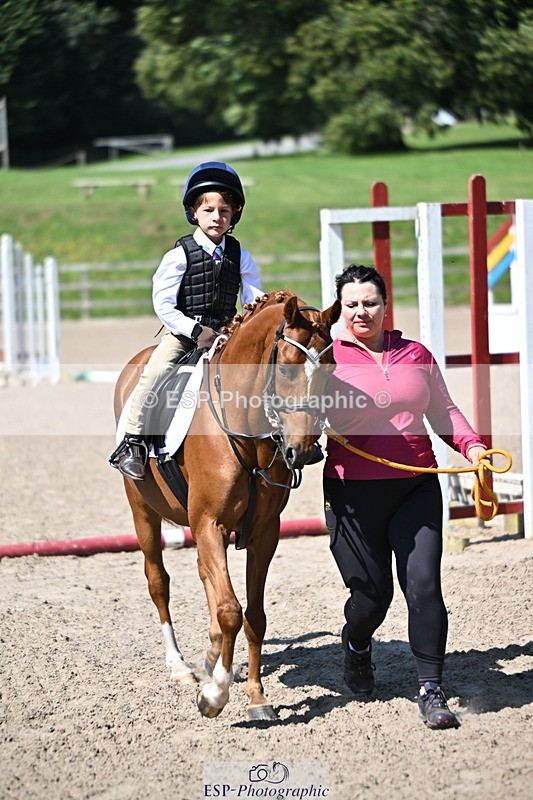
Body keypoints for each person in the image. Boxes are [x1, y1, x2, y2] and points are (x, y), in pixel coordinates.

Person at [323, 264, 487, 730]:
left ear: (385, 305)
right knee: (371, 599)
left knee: (424, 586)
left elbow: (445, 411)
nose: (361, 311)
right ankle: (357, 646)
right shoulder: (325, 360)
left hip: (416, 486)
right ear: (340, 309)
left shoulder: (415, 353)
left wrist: (473, 446)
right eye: (352, 304)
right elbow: (298, 418)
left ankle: (431, 688)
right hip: (352, 493)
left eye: (370, 303)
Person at [111, 161, 262, 480]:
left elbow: (253, 300)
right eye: (209, 210)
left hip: (225, 334)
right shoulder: (179, 255)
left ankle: (284, 437)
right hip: (183, 333)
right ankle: (133, 442)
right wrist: (194, 330)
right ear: (194, 212)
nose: (217, 217)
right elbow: (162, 303)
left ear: (234, 213)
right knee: (155, 372)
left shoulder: (241, 256)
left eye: (224, 211)